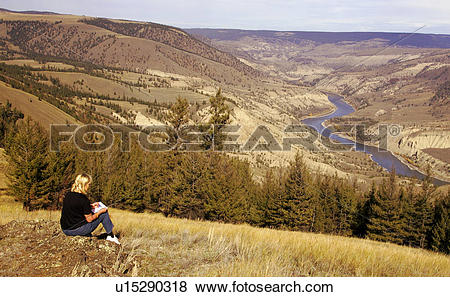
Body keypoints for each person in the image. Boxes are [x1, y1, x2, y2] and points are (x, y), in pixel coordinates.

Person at [60, 173, 120, 245]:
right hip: (76, 230)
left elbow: (76, 208)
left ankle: (86, 234)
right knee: (104, 214)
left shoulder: (68, 195)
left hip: (65, 229)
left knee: (98, 213)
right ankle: (111, 236)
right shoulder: (83, 199)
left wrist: (91, 206)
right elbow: (89, 219)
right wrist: (100, 212)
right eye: (89, 184)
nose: (89, 186)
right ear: (84, 185)